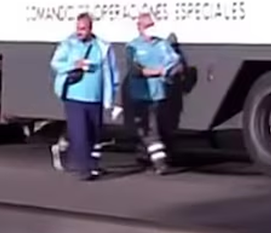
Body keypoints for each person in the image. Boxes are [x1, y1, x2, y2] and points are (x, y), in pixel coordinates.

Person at [49, 13, 118, 180]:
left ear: (90, 29)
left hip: (95, 98)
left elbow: (112, 73)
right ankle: (83, 168)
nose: (80, 32)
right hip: (74, 97)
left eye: (83, 29)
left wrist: (111, 98)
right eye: (78, 28)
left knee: (94, 134)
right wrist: (74, 65)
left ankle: (92, 165)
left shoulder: (102, 47)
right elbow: (55, 63)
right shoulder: (68, 44)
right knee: (80, 134)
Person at [125, 12, 181, 175]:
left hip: (159, 94)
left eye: (151, 25)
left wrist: (170, 70)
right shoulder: (133, 47)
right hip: (141, 95)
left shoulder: (162, 45)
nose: (150, 28)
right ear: (139, 27)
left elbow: (174, 61)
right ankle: (160, 163)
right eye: (147, 25)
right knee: (150, 129)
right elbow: (135, 70)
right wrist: (157, 71)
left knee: (161, 127)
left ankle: (144, 154)